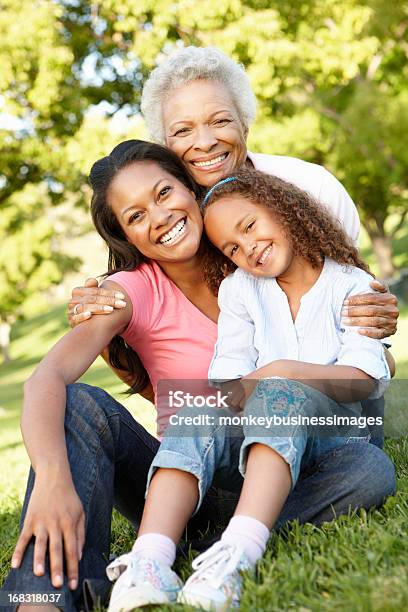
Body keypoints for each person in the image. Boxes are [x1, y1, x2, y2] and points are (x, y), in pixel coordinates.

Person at [2, 44, 397, 611]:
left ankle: (211, 546)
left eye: (165, 194)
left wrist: (371, 321)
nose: (159, 216)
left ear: (192, 186)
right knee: (92, 406)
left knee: (365, 467)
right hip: (185, 472)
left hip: (291, 460)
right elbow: (50, 379)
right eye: (136, 216)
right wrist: (53, 480)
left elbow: (357, 345)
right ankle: (42, 599)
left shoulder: (261, 251)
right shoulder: (131, 291)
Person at [70, 46, 398, 441]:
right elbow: (132, 340)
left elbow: (372, 341)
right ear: (164, 146)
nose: (205, 142)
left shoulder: (311, 190)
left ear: (245, 123)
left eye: (220, 120)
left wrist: (375, 315)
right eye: (183, 130)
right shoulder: (170, 219)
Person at [104, 168, 392, 611]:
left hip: (337, 439)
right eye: (232, 248)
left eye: (250, 226)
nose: (248, 248)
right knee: (199, 413)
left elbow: (364, 380)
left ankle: (235, 552)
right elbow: (229, 383)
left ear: (285, 210)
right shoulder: (241, 292)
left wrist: (282, 372)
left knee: (370, 472)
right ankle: (151, 559)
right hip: (261, 441)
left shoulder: (351, 285)